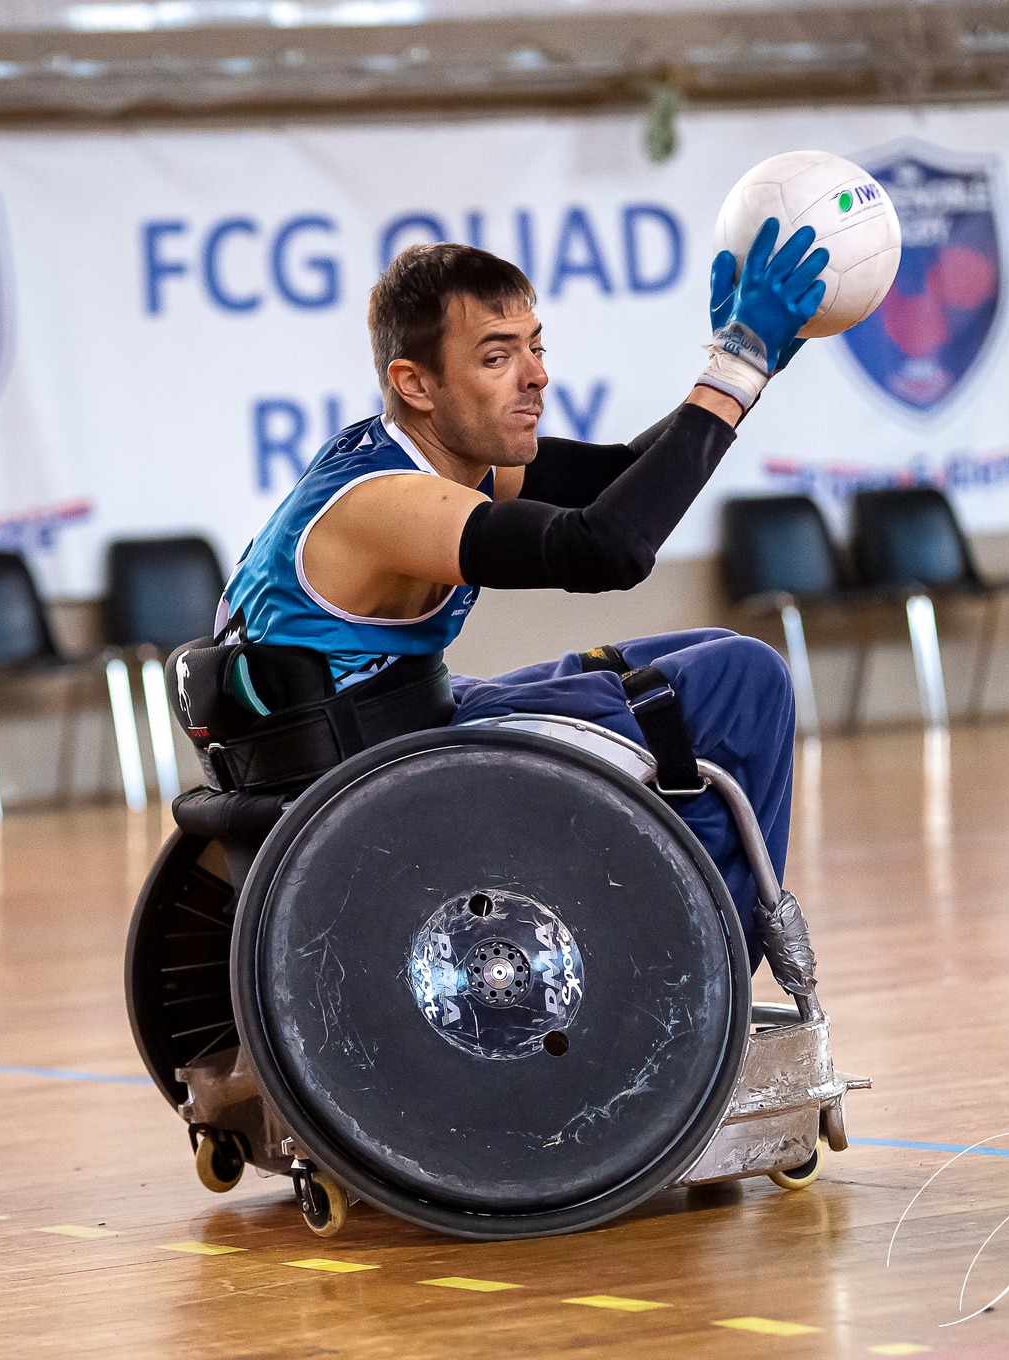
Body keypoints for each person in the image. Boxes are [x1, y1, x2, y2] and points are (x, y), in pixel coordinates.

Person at [201, 222, 829, 958]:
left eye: (536, 346)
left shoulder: (420, 450)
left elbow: (614, 479)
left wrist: (751, 367)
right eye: (498, 356)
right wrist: (735, 366)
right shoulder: (388, 503)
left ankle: (696, 958)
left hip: (388, 724)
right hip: (374, 772)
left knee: (709, 653)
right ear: (415, 383)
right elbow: (607, 548)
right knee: (744, 681)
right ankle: (695, 976)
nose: (535, 376)